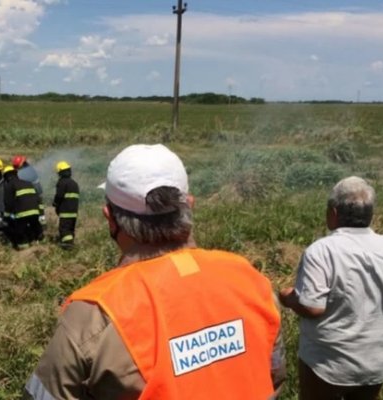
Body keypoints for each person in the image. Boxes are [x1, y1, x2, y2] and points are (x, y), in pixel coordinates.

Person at [24, 144, 285, 400]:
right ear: (189, 205)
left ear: (110, 218)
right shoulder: (251, 280)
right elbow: (273, 375)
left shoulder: (95, 314)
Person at [279, 176, 383, 400]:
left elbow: (312, 307)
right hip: (375, 360)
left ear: (333, 213)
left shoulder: (322, 251)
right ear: (370, 215)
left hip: (328, 363)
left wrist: (288, 298)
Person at [2, 166, 43, 249]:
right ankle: (39, 246)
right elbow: (38, 199)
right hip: (35, 212)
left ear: (6, 176)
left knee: (20, 233)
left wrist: (6, 219)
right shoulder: (28, 183)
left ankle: (24, 253)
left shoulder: (9, 185)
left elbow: (8, 203)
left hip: (22, 214)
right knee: (36, 229)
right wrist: (41, 214)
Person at [53, 161, 79, 248]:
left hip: (65, 211)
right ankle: (70, 242)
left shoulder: (62, 182)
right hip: (74, 211)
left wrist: (55, 204)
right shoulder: (74, 183)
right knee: (70, 228)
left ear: (60, 172)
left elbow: (59, 196)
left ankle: (67, 245)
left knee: (64, 229)